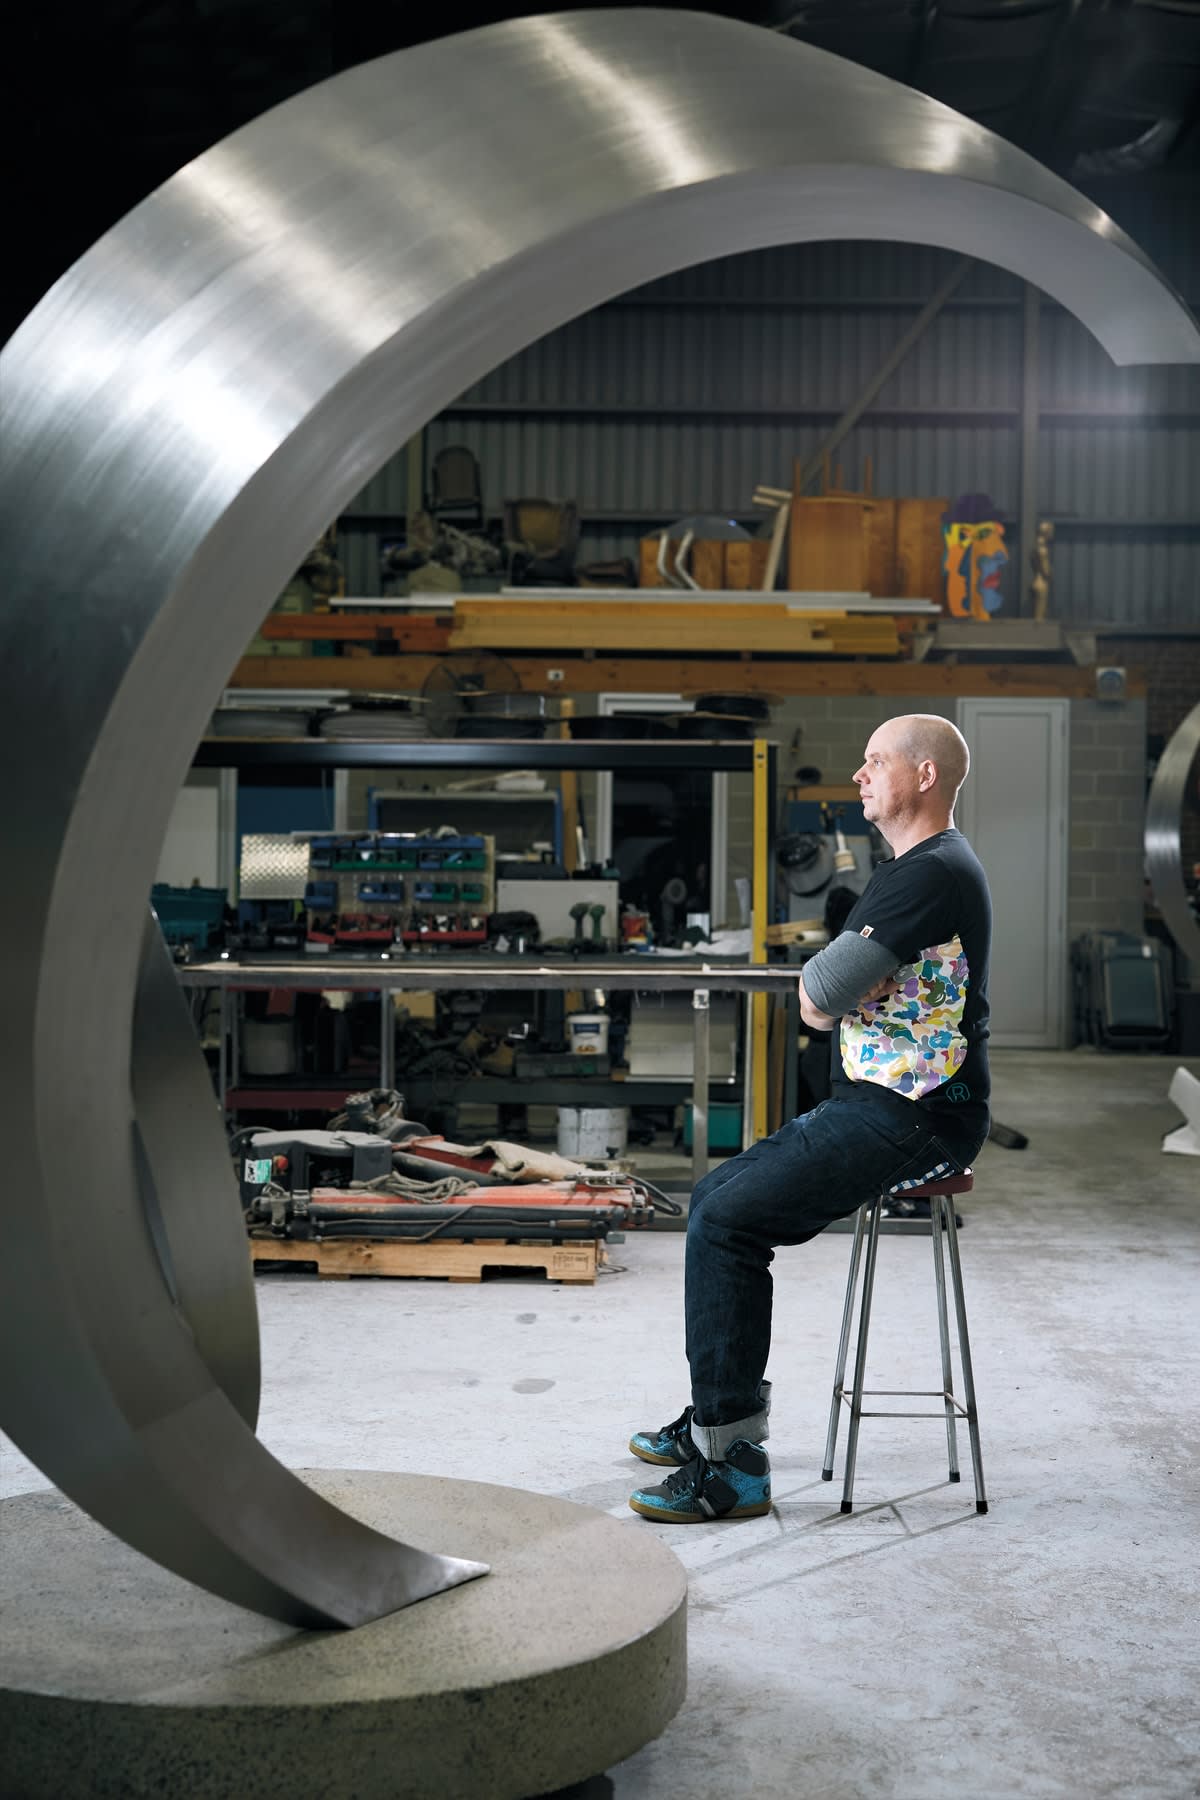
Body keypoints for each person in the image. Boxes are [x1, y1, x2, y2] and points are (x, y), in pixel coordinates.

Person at [628, 714, 992, 1523]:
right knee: (720, 1199)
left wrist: (825, 995)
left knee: (723, 1218)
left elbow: (822, 997)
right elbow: (830, 991)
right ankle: (721, 1422)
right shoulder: (915, 868)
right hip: (884, 1101)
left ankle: (733, 1467)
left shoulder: (929, 873)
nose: (858, 776)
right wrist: (828, 992)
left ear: (925, 776)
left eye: (874, 761)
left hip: (914, 1114)